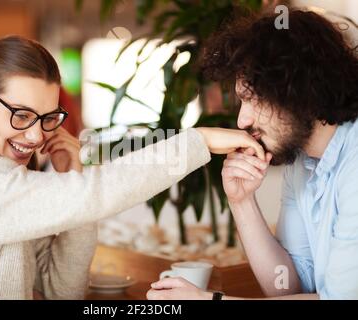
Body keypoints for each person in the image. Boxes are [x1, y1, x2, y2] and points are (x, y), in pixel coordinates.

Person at [0, 35, 265, 300]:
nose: (35, 135)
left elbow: (61, 291)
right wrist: (197, 141)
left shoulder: (12, 183)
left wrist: (72, 173)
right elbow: (97, 193)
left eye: (48, 118)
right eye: (20, 115)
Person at [147, 8, 358, 300]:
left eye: (252, 99)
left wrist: (208, 300)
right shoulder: (303, 162)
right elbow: (289, 288)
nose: (242, 121)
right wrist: (242, 201)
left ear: (298, 89)